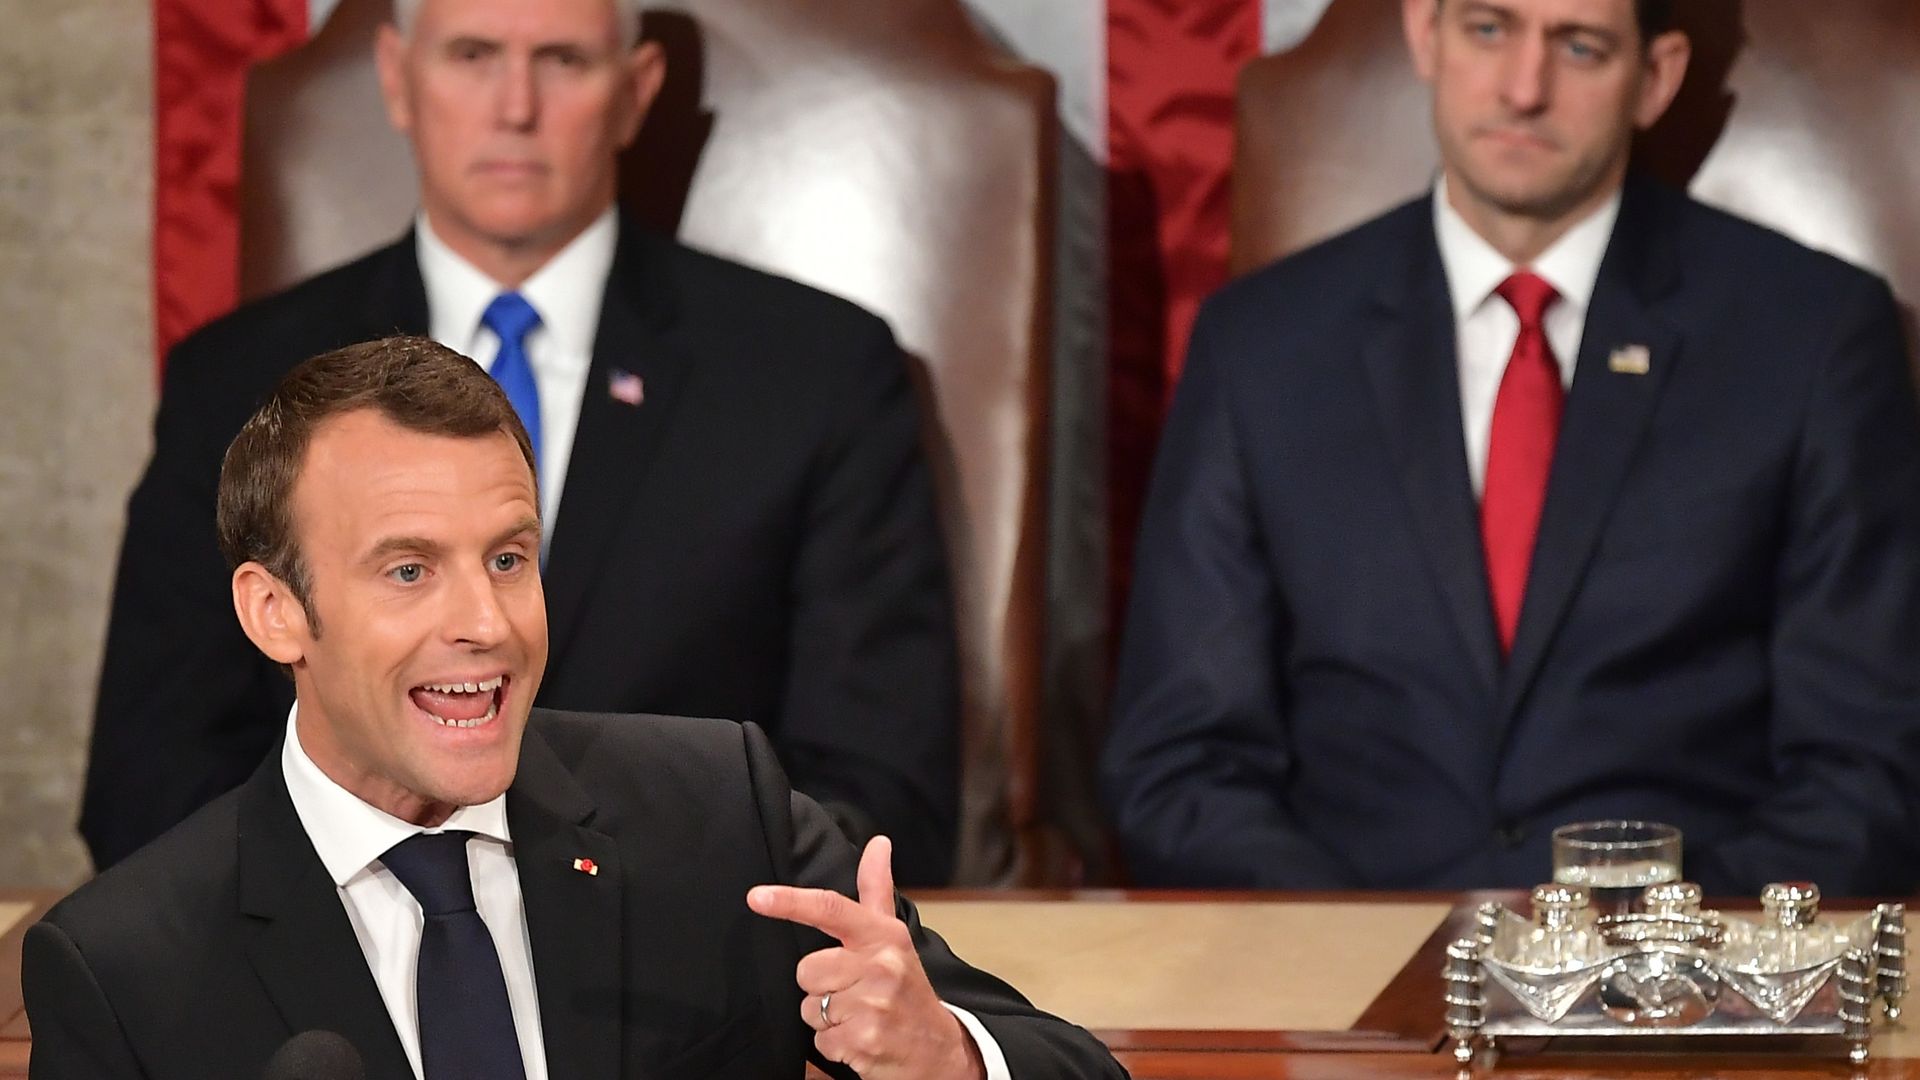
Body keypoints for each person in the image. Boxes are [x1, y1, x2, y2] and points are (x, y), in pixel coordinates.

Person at [25, 338, 1124, 1080]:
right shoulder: (125, 970)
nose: (488, 624)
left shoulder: (717, 814)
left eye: (508, 557)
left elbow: (1074, 1063)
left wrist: (946, 1055)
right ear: (276, 614)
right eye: (408, 571)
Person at [84, 0, 960, 883]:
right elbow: (150, 776)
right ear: (397, 78)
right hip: (326, 972)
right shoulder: (238, 379)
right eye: (471, 54)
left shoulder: (812, 372)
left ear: (636, 90)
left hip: (690, 972)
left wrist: (608, 927)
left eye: (563, 61)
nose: (515, 106)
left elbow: (879, 791)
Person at [1103, 0, 1920, 894]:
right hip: (1337, 988)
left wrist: (1654, 958)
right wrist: (1363, 956)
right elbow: (1178, 766)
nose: (1524, 89)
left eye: (1579, 46)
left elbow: (1865, 772)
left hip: (1681, 992)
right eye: (1490, 30)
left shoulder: (1808, 335)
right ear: (1426, 34)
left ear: (1656, 77)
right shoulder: (1262, 343)